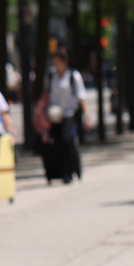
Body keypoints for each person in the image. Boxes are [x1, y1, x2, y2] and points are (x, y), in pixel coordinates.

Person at [44, 47, 89, 185]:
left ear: (65, 61)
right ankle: (61, 173)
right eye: (54, 61)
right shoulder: (51, 75)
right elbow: (46, 95)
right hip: (54, 116)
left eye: (58, 61)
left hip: (69, 114)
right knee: (57, 144)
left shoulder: (73, 76)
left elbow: (82, 97)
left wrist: (86, 115)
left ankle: (72, 170)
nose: (56, 64)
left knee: (67, 140)